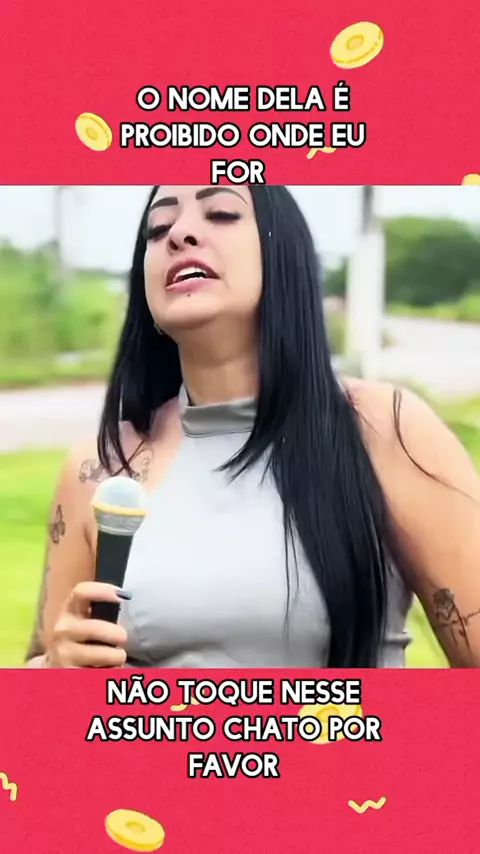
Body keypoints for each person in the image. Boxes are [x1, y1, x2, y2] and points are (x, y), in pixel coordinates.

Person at [25, 185, 480, 670]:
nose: (179, 234)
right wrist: (56, 669)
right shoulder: (100, 468)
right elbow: (39, 685)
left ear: (282, 253)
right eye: (158, 229)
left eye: (221, 213)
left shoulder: (386, 429)